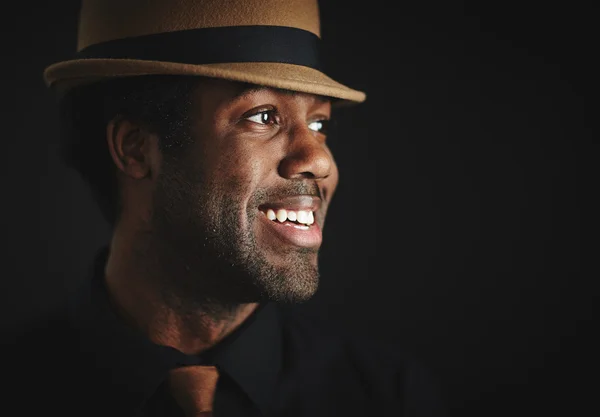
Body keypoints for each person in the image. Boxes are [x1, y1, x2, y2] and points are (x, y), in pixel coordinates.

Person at [2, 0, 449, 416]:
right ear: (136, 150)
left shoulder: (391, 398)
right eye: (262, 116)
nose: (319, 159)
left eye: (318, 123)